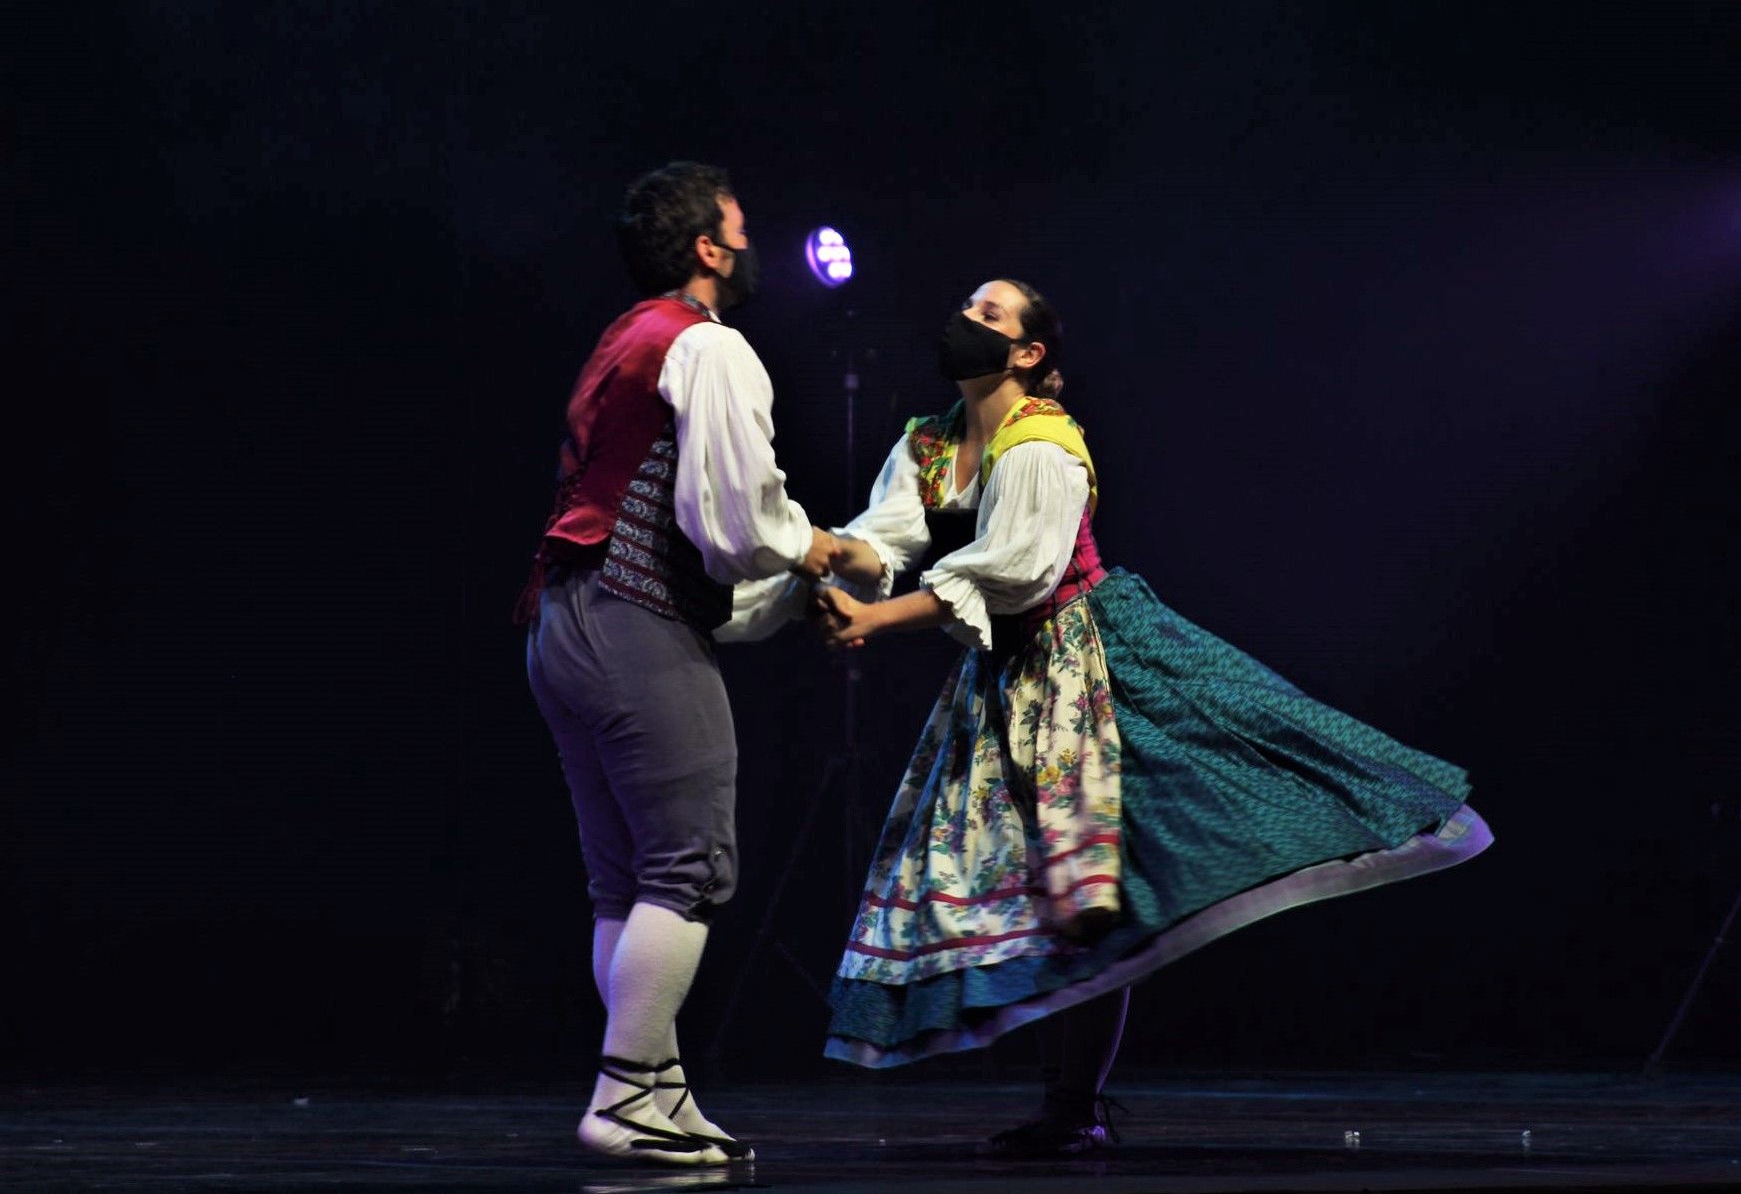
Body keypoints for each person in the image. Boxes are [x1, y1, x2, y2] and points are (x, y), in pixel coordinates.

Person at [804, 277, 1493, 1155]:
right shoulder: (930, 444)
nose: (964, 320)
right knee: (1037, 881)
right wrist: (821, 559)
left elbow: (1016, 570)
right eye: (966, 306)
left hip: (1094, 656)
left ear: (1027, 352)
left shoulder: (1043, 445)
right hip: (1003, 676)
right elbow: (888, 537)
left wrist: (872, 617)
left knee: (1112, 868)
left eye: (989, 313)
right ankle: (1070, 1106)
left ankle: (1075, 1103)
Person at [517, 162, 836, 1166]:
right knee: (691, 864)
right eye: (739, 226)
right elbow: (734, 522)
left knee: (625, 881)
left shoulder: (623, 339)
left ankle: (657, 1086)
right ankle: (620, 1098)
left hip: (561, 622)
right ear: (707, 246)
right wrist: (815, 549)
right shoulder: (705, 344)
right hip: (630, 620)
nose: (750, 242)